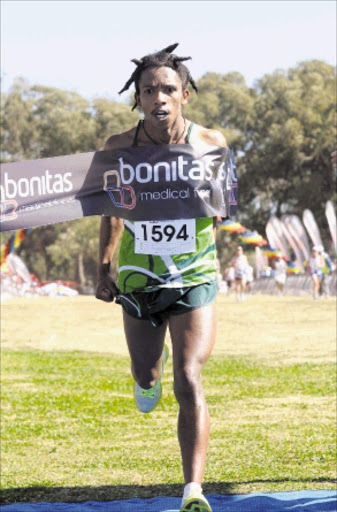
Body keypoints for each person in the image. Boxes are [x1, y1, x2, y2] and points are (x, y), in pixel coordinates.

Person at [95, 43, 227, 512]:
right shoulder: (116, 150)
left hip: (194, 275)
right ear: (137, 98)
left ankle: (193, 490)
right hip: (137, 278)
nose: (159, 98)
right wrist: (103, 268)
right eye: (148, 90)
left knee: (188, 376)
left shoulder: (212, 144)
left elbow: (218, 213)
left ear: (185, 94)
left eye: (168, 88)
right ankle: (145, 379)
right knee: (147, 372)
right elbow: (109, 213)